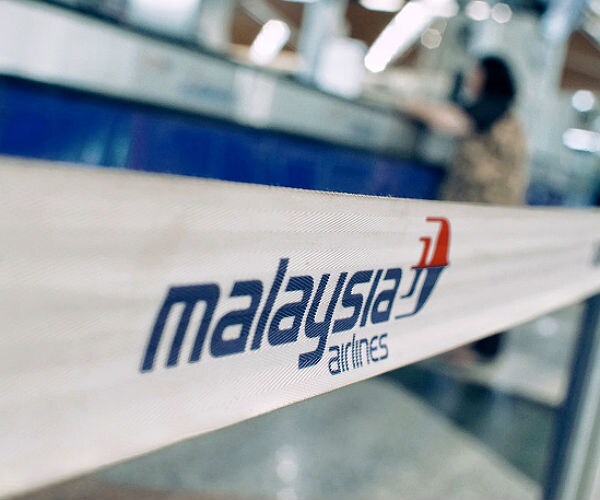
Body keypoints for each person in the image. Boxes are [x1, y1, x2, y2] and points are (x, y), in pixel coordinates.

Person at [403, 55, 528, 361]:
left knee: (479, 281)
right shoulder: (507, 114)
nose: (471, 78)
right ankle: (474, 346)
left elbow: (451, 121)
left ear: (488, 77)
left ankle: (474, 348)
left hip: (485, 213)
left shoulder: (492, 106)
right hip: (496, 214)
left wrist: (410, 105)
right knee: (488, 280)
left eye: (476, 72)